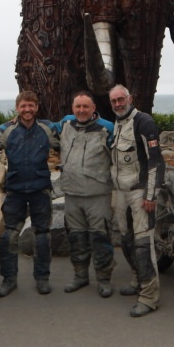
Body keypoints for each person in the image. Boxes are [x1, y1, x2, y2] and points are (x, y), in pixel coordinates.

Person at [0, 91, 60, 297]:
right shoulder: (6, 129)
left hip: (40, 189)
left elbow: (70, 137)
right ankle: (9, 278)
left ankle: (42, 278)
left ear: (37, 107)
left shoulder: (48, 128)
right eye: (23, 106)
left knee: (42, 236)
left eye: (31, 105)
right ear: (17, 108)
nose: (27, 109)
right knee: (8, 236)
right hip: (15, 190)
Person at [108, 84, 165, 317]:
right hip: (120, 191)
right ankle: (137, 279)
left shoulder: (144, 122)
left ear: (129, 98)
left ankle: (149, 296)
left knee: (143, 244)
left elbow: (155, 161)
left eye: (121, 99)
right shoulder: (117, 124)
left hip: (139, 192)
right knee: (126, 240)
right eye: (114, 101)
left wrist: (150, 195)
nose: (118, 104)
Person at [57, 91, 116, 298]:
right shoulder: (65, 124)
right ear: (72, 108)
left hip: (98, 195)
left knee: (101, 238)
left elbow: (120, 157)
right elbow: (41, 128)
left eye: (85, 107)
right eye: (77, 107)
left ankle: (104, 279)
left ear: (93, 108)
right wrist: (16, 120)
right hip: (71, 194)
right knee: (76, 238)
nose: (81, 110)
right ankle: (80, 275)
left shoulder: (107, 129)